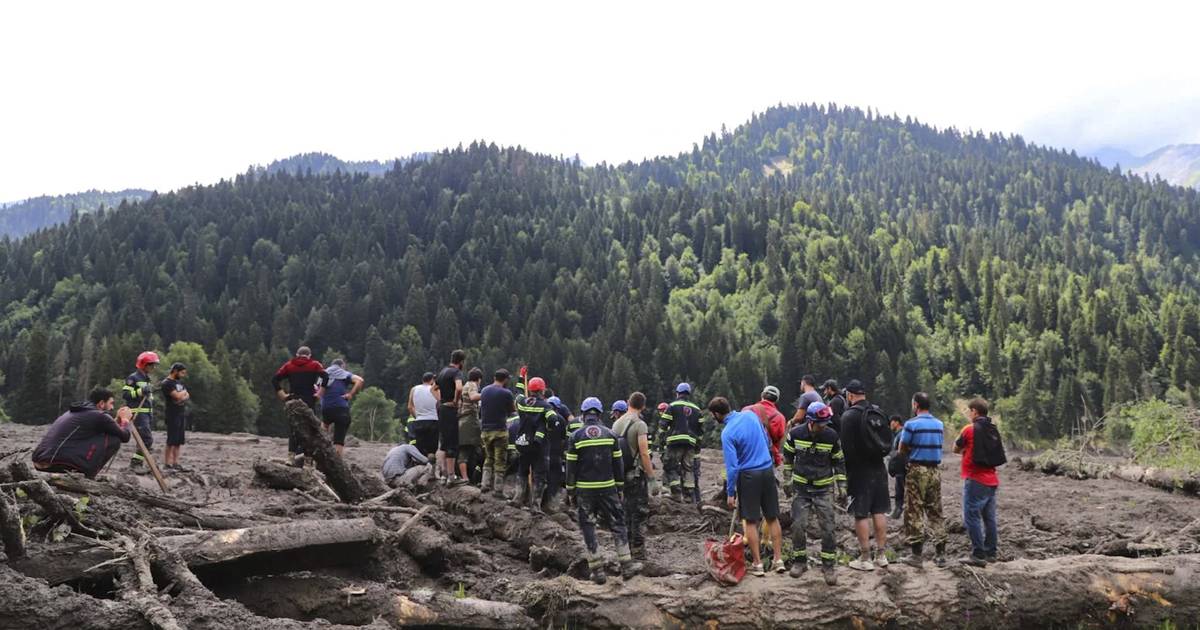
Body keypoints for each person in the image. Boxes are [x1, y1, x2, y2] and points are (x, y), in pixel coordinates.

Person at [566, 397, 641, 584]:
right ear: (599, 414)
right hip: (608, 488)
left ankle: (597, 571)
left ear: (583, 415)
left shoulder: (576, 437)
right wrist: (620, 486)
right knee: (618, 524)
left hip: (585, 491)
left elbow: (571, 467)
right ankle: (626, 566)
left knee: (589, 527)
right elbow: (618, 463)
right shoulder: (610, 435)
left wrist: (570, 490)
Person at [711, 396, 784, 577]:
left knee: (751, 521)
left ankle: (758, 565)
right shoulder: (751, 416)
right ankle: (778, 559)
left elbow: (732, 466)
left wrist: (730, 493)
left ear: (717, 414)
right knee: (772, 517)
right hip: (767, 470)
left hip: (748, 476)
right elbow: (766, 439)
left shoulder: (727, 432)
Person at [782, 401, 845, 585]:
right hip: (801, 488)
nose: (823, 426)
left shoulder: (832, 436)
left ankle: (828, 564)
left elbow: (839, 462)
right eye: (820, 423)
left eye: (825, 423)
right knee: (798, 526)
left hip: (824, 488)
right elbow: (787, 456)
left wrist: (842, 485)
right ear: (810, 421)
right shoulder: (795, 434)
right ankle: (800, 561)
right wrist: (787, 479)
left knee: (828, 528)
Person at [838, 379, 890, 571]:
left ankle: (865, 557)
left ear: (850, 395)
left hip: (859, 470)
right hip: (879, 467)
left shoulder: (849, 416)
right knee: (879, 510)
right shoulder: (879, 412)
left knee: (860, 513)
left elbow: (846, 448)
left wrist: (846, 472)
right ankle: (882, 555)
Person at [33, 388, 132, 479]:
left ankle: (84, 473)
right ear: (101, 403)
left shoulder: (76, 411)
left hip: (40, 461)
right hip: (56, 463)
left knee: (103, 436)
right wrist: (125, 420)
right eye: (111, 403)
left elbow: (109, 428)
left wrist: (118, 421)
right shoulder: (100, 415)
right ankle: (88, 477)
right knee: (114, 439)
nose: (112, 407)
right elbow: (125, 436)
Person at [899, 391, 947, 568]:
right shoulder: (939, 424)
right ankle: (941, 554)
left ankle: (916, 555)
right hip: (935, 470)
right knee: (935, 511)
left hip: (917, 469)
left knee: (914, 510)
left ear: (916, 405)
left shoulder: (911, 424)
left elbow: (902, 448)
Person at [954, 398, 1000, 566]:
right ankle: (991, 553)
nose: (969, 414)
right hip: (992, 479)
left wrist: (966, 450)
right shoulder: (993, 429)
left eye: (969, 411)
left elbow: (955, 448)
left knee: (971, 516)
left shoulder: (969, 429)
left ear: (974, 411)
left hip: (975, 479)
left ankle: (978, 554)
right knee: (989, 518)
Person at [613, 392, 655, 560]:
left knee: (624, 511)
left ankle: (624, 550)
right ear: (643, 406)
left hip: (620, 474)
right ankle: (638, 552)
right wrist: (652, 478)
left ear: (627, 403)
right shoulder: (640, 424)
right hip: (636, 476)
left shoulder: (616, 424)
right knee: (639, 512)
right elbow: (644, 454)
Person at [511, 376, 561, 513]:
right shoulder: (545, 406)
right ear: (542, 390)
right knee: (539, 475)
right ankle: (535, 505)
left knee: (522, 470)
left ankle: (517, 499)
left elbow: (518, 394)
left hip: (523, 443)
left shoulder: (522, 402)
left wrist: (521, 378)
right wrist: (547, 428)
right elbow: (553, 420)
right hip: (539, 445)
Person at [272, 346, 328, 466]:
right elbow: (326, 377)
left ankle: (290, 458)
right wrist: (319, 394)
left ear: (297, 355)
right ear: (309, 355)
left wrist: (283, 395)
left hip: (294, 399)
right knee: (309, 430)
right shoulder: (314, 365)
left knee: (293, 428)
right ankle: (308, 461)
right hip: (309, 400)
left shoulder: (289, 365)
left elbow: (275, 379)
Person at [660, 383, 703, 503]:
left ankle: (676, 494)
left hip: (674, 442)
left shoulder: (672, 406)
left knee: (671, 467)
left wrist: (661, 443)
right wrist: (697, 447)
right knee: (688, 469)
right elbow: (700, 431)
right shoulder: (697, 409)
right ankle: (689, 497)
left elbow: (663, 425)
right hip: (690, 444)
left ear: (677, 393)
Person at [478, 369, 516, 494]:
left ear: (494, 377)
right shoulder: (506, 393)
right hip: (499, 431)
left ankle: (485, 484)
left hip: (485, 431)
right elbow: (512, 411)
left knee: (488, 458)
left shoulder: (484, 391)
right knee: (500, 460)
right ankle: (498, 489)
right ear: (505, 379)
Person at [433, 349, 467, 486]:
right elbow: (459, 388)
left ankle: (443, 474)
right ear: (461, 362)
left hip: (442, 409)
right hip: (450, 409)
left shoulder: (442, 372)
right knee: (452, 443)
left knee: (444, 442)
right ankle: (451, 477)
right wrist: (455, 401)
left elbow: (433, 389)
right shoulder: (456, 372)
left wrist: (441, 401)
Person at [123, 351, 160, 472]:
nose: (154, 367)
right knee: (147, 440)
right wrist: (140, 391)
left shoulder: (146, 378)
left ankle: (139, 463)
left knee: (145, 440)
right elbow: (126, 394)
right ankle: (135, 464)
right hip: (138, 413)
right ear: (144, 364)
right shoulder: (133, 378)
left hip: (147, 413)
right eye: (152, 364)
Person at [321, 359, 364, 457]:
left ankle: (321, 449)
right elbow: (360, 380)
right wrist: (350, 394)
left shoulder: (324, 373)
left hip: (326, 408)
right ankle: (337, 461)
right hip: (341, 408)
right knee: (339, 438)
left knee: (324, 426)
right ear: (342, 366)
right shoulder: (343, 373)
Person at [743, 385, 787, 468]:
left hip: (745, 456)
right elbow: (777, 440)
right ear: (776, 400)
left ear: (762, 395)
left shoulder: (746, 410)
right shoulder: (780, 418)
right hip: (766, 460)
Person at [160, 362, 191, 471]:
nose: (183, 375)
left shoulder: (179, 383)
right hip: (172, 414)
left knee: (178, 440)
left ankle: (176, 463)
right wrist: (183, 395)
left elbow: (187, 395)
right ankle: (167, 463)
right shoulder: (167, 383)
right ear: (175, 371)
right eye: (182, 373)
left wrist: (182, 396)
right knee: (171, 440)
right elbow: (177, 396)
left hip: (181, 413)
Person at [457, 367, 484, 484]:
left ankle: (465, 477)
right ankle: (469, 478)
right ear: (479, 379)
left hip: (463, 420)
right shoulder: (472, 385)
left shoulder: (465, 385)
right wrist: (486, 394)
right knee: (475, 449)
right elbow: (473, 397)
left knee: (464, 450)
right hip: (470, 421)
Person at [407, 372, 440, 460]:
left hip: (419, 421)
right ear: (432, 380)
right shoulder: (436, 390)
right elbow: (439, 405)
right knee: (432, 451)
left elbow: (410, 407)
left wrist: (417, 416)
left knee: (420, 450)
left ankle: (420, 467)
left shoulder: (414, 389)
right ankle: (431, 469)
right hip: (433, 421)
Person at [887, 415, 908, 519]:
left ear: (896, 422)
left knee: (901, 489)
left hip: (902, 466)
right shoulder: (898, 435)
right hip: (901, 466)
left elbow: (899, 452)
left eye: (891, 422)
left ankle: (898, 510)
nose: (890, 425)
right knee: (900, 488)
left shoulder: (901, 434)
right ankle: (898, 510)